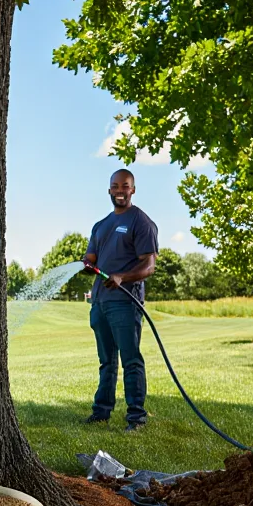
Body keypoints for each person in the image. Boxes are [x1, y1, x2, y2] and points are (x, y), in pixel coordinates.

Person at [82, 169, 158, 430]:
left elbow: (149, 267)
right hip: (100, 302)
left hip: (125, 302)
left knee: (130, 359)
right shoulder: (100, 225)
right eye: (115, 186)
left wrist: (122, 277)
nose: (120, 191)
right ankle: (101, 411)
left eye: (125, 186)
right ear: (109, 190)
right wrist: (85, 264)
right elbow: (91, 258)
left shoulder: (141, 221)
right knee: (107, 361)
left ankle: (136, 417)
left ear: (133, 190)